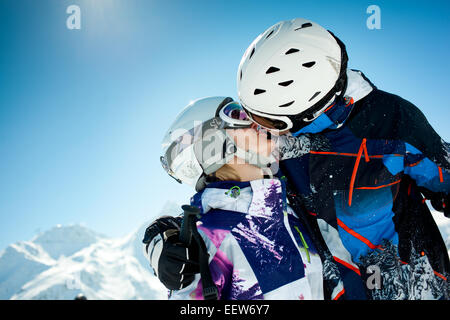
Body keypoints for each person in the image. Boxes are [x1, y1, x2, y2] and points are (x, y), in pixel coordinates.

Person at [145, 18, 450, 300]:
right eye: (248, 115)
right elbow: (222, 206)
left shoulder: (390, 124)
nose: (258, 124)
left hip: (420, 288)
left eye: (258, 116)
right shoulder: (278, 151)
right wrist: (163, 238)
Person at [143, 96, 324, 300]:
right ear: (211, 146)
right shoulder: (206, 242)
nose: (256, 123)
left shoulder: (290, 214)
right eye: (239, 115)